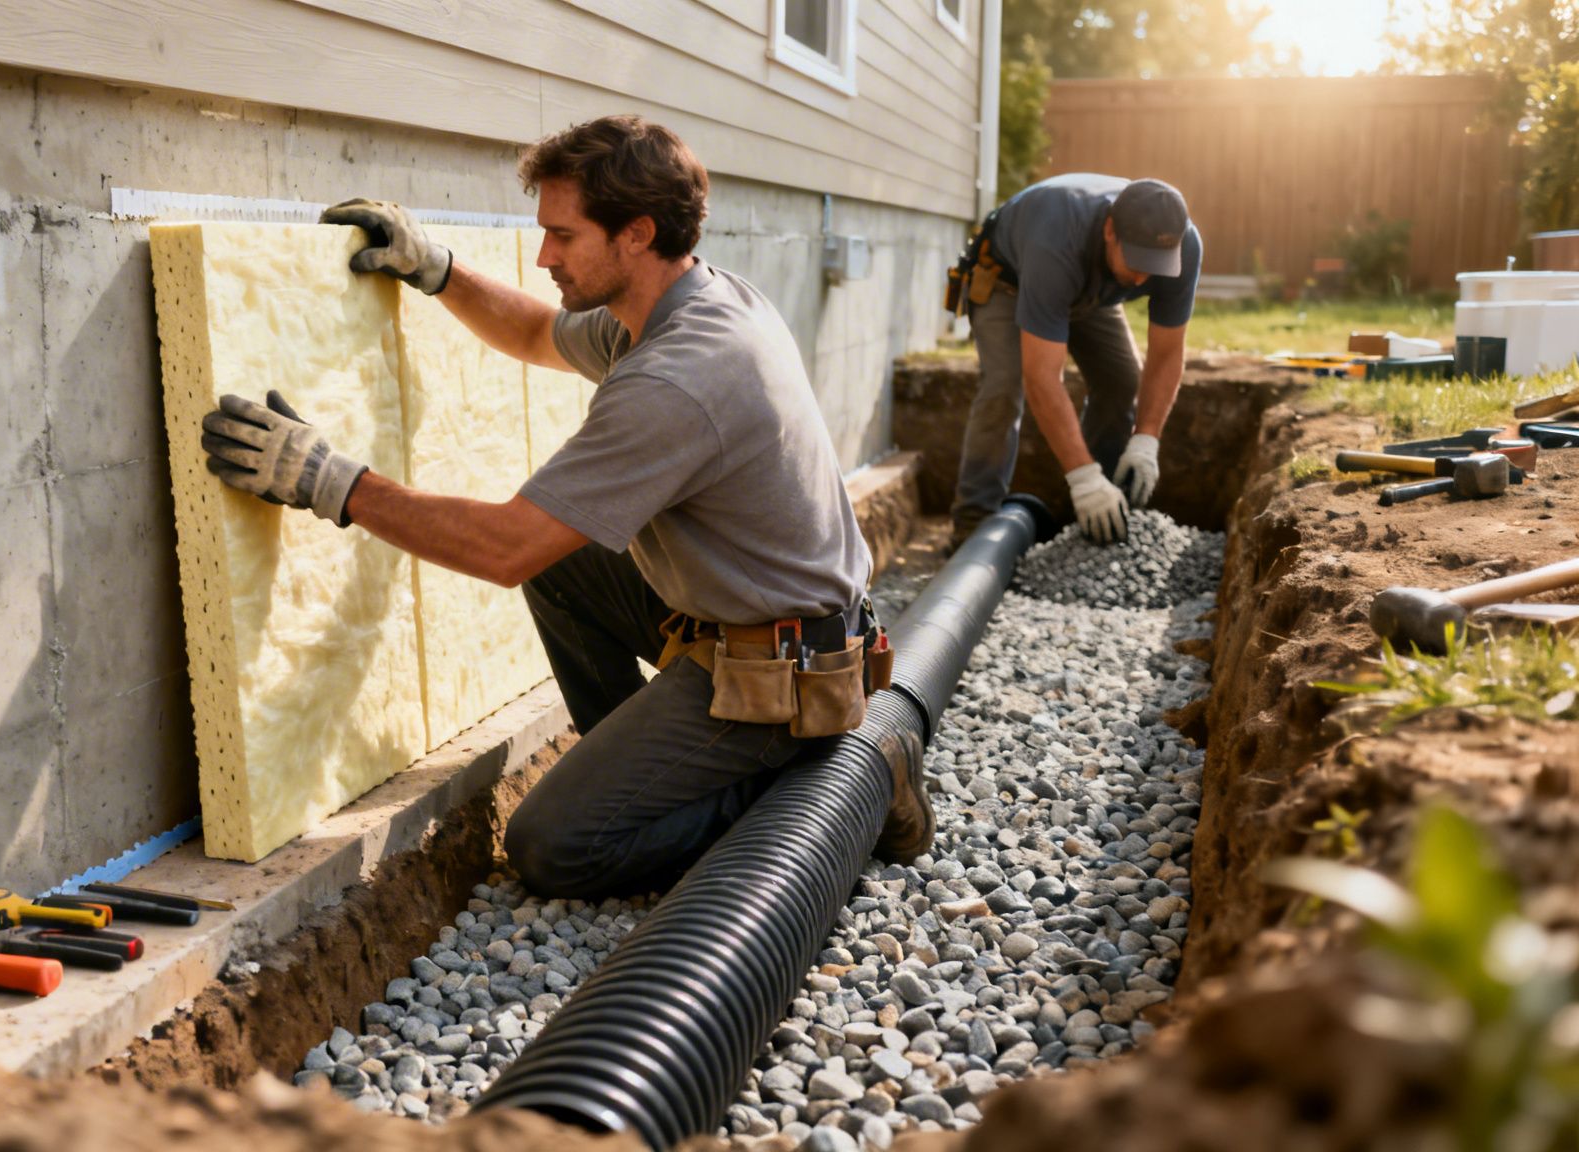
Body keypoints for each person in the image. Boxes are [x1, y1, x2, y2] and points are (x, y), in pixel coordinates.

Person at [199, 115, 927, 898]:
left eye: (562, 236)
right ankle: (646, 768)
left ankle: (823, 785)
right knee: (565, 563)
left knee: (553, 846)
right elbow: (540, 333)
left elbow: (502, 546)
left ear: (636, 233)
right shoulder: (683, 303)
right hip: (768, 622)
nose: (544, 254)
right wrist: (438, 270)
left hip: (778, 672)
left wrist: (331, 482)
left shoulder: (679, 378)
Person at [948, 174, 1200, 546]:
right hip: (1010, 282)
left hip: (1088, 289)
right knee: (1004, 384)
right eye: (1137, 261)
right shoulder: (1056, 238)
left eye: (1156, 265)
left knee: (1121, 381)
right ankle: (973, 525)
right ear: (1110, 230)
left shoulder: (1184, 246)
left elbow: (1166, 355)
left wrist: (1146, 439)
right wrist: (1082, 476)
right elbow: (1043, 377)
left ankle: (1096, 520)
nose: (1143, 276)